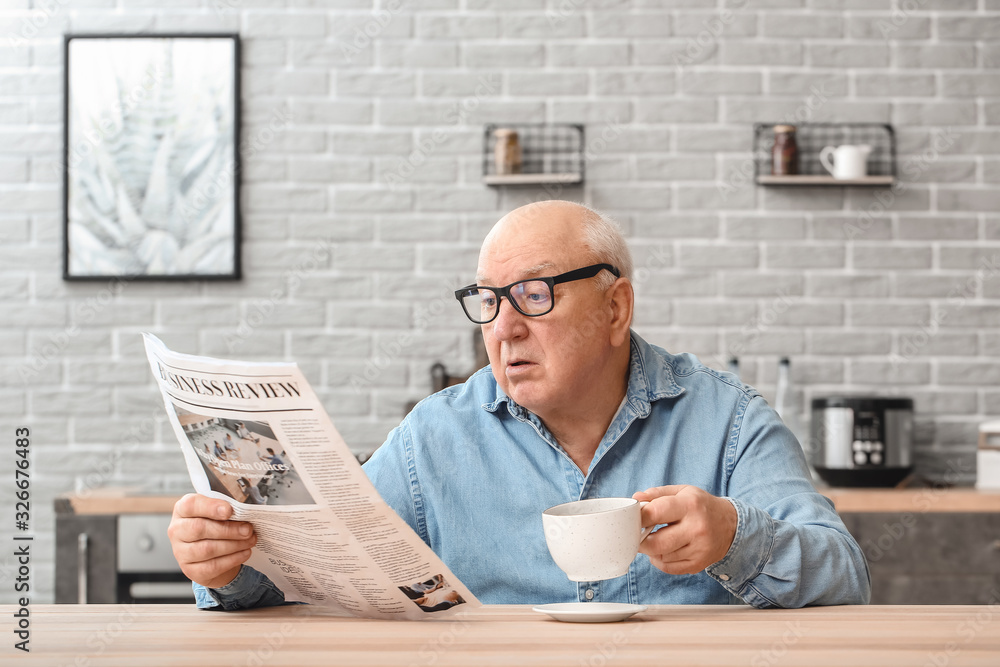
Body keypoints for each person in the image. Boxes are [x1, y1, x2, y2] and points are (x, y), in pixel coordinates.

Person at [167, 200, 870, 611]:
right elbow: (318, 580)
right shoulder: (435, 436)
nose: (502, 327)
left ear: (617, 306)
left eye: (534, 295)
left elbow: (845, 578)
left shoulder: (731, 423)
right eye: (488, 301)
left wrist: (733, 535)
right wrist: (227, 565)